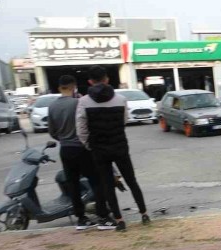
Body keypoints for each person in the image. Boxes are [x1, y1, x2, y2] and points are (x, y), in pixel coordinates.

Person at [76, 65, 150, 232]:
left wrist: (90, 145)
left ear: (90, 81)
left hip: (99, 149)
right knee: (131, 180)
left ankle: (119, 220)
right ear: (107, 79)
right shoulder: (120, 99)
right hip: (119, 146)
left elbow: (81, 129)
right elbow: (124, 121)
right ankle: (144, 213)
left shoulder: (83, 101)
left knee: (107, 185)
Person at [48, 75, 113, 230]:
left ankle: (81, 219)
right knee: (96, 182)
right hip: (82, 148)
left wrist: (64, 138)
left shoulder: (52, 107)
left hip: (65, 149)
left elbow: (52, 131)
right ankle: (103, 217)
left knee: (73, 184)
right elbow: (87, 125)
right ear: (74, 87)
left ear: (59, 88)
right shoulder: (78, 103)